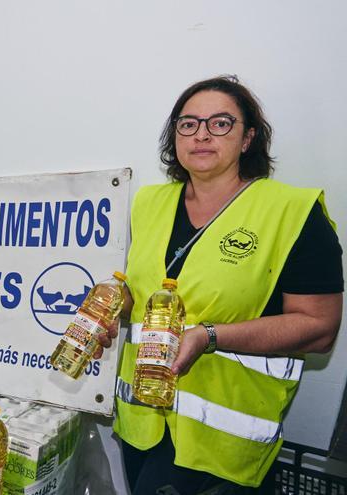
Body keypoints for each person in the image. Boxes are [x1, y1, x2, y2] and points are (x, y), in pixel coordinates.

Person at [104, 76, 344, 494]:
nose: (201, 134)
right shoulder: (149, 203)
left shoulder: (292, 211)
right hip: (142, 422)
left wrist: (209, 336)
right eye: (188, 123)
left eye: (220, 123)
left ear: (248, 138)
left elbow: (320, 328)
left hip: (224, 444)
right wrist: (111, 305)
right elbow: (148, 296)